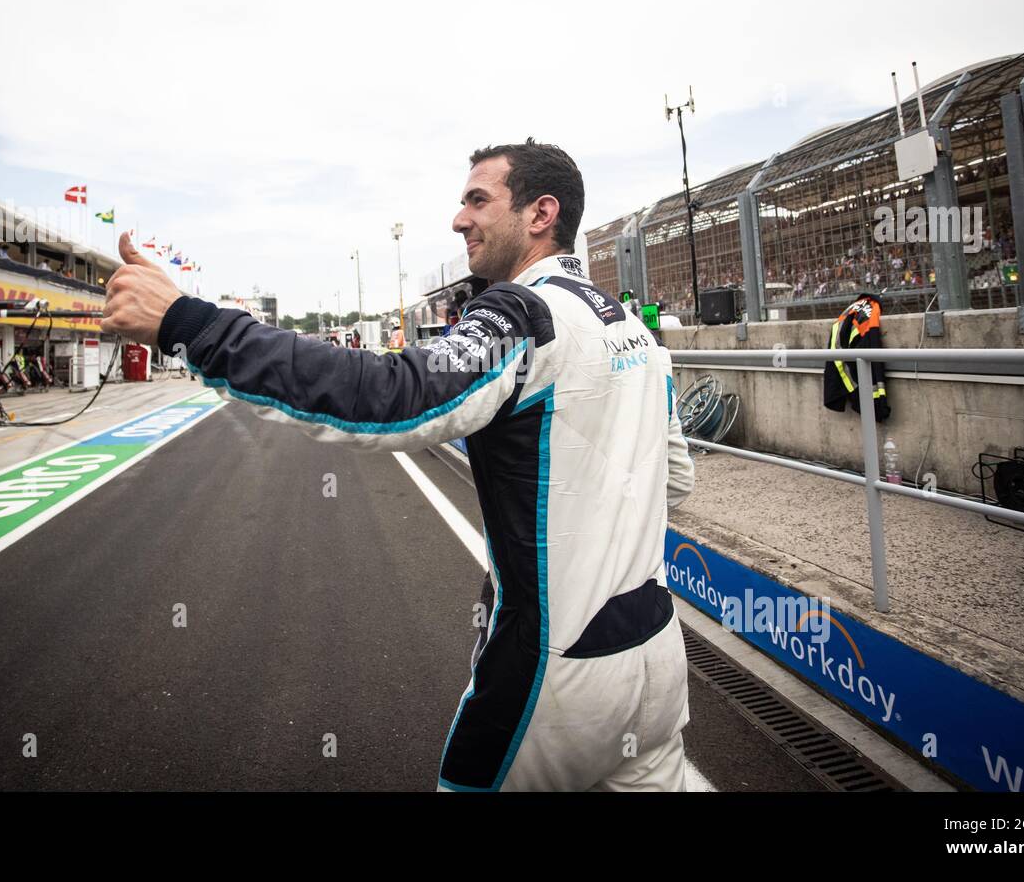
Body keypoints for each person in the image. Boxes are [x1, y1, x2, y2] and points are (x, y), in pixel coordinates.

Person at [100, 139, 695, 792]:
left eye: (477, 200)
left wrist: (189, 324)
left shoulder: (520, 311)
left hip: (554, 679)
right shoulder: (637, 331)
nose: (458, 219)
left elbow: (390, 395)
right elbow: (676, 478)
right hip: (658, 658)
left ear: (540, 212)